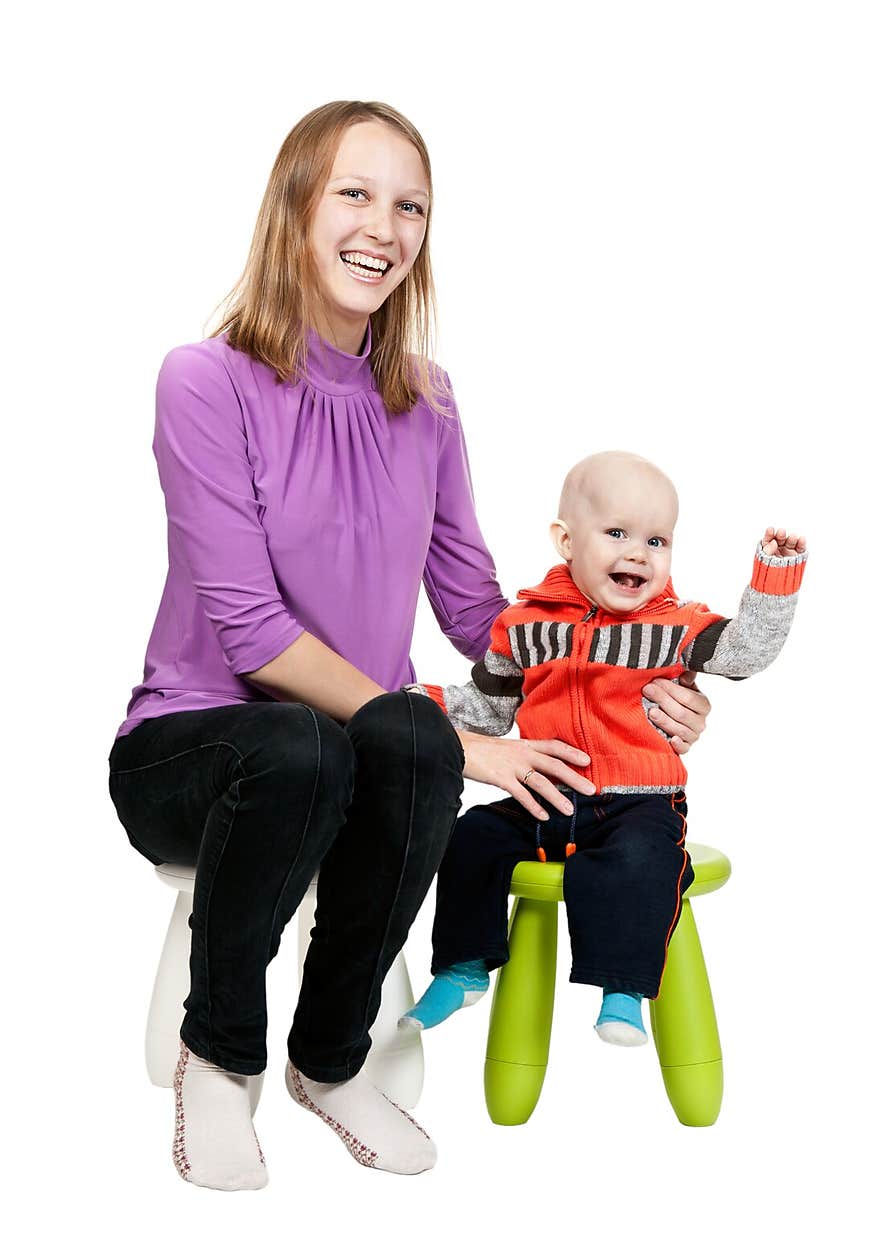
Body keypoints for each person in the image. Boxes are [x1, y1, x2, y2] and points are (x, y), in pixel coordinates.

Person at [106, 103, 711, 1190]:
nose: (383, 227)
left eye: (409, 205)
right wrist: (456, 740)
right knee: (314, 746)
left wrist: (645, 673)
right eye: (354, 193)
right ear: (295, 205)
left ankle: (329, 1066)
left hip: (353, 752)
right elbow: (248, 631)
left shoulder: (426, 403)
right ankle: (219, 1057)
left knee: (382, 749)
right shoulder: (203, 380)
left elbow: (481, 616)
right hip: (191, 748)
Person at [400, 450, 806, 1044]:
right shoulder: (524, 626)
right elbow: (488, 709)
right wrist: (419, 701)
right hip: (545, 793)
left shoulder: (676, 626)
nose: (639, 552)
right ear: (566, 540)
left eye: (657, 540)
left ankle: (624, 989)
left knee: (643, 859)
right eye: (616, 533)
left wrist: (774, 579)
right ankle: (463, 967)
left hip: (638, 802)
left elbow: (747, 652)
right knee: (469, 836)